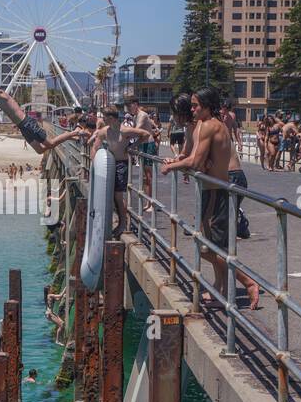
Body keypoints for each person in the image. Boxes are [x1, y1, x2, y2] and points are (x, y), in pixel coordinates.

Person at [161, 87, 260, 309]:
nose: (192, 109)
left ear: (206, 106)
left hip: (221, 186)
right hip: (216, 186)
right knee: (209, 243)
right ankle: (222, 289)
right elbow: (194, 156)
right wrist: (180, 162)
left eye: (196, 105)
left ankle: (246, 282)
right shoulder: (204, 125)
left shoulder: (207, 126)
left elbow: (195, 162)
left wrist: (172, 167)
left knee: (209, 245)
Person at [88, 105, 154, 235]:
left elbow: (145, 134)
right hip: (110, 163)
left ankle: (123, 223)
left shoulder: (124, 130)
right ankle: (120, 220)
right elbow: (95, 147)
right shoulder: (104, 131)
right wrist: (94, 163)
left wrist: (132, 146)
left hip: (121, 164)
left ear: (111, 118)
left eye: (105, 117)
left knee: (118, 196)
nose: (103, 120)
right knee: (111, 195)